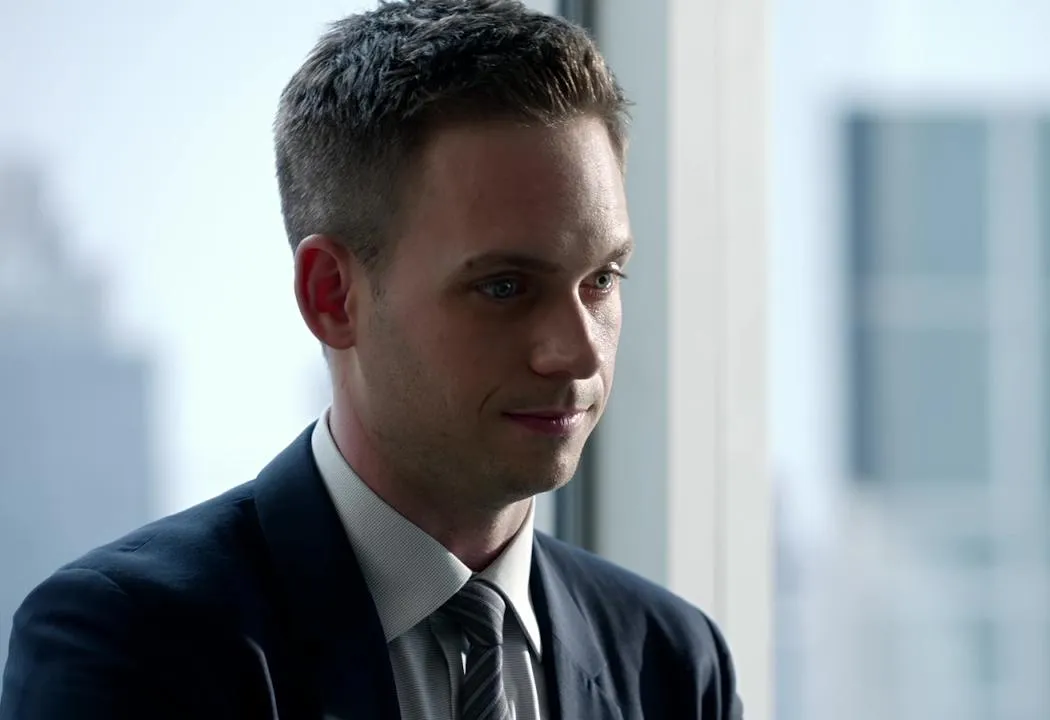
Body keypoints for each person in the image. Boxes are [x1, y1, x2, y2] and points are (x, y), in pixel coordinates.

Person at [0, 2, 742, 718]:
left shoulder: (673, 663)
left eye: (601, 280)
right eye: (505, 287)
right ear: (332, 296)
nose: (577, 352)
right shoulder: (134, 646)